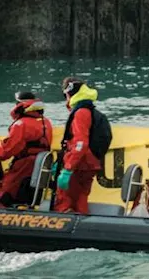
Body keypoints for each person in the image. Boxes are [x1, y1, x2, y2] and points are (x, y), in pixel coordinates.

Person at [54, 77, 111, 215]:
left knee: (65, 200)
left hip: (79, 164)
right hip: (90, 164)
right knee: (81, 198)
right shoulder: (91, 111)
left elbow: (80, 143)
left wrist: (68, 168)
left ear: (69, 93)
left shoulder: (81, 113)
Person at [0, 91, 53, 207]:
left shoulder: (21, 124)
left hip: (23, 167)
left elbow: (5, 153)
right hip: (37, 167)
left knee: (5, 196)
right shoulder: (46, 122)